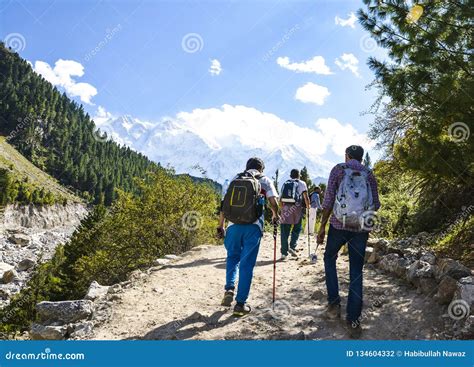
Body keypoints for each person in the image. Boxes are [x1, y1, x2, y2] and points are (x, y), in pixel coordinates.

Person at [317, 145, 380, 338]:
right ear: (361, 158)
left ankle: (334, 305)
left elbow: (328, 201)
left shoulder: (338, 169)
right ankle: (353, 321)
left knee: (329, 258)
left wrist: (322, 227)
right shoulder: (369, 174)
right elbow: (375, 204)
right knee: (356, 272)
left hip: (338, 226)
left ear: (347, 156)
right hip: (360, 229)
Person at [217, 157, 279, 316]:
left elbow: (224, 204)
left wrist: (221, 225)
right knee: (246, 264)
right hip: (253, 226)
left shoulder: (236, 178)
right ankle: (240, 305)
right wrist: (275, 215)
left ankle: (229, 289)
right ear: (261, 169)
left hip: (233, 226)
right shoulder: (264, 180)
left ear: (247, 167)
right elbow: (273, 202)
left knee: (232, 258)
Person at [279, 169, 310, 260]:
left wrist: (282, 210)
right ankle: (292, 246)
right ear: (299, 175)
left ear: (290, 175)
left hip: (286, 209)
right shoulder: (302, 183)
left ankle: (284, 253)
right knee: (297, 228)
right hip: (297, 209)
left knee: (284, 231)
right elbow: (306, 197)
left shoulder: (285, 183)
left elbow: (280, 199)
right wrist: (308, 207)